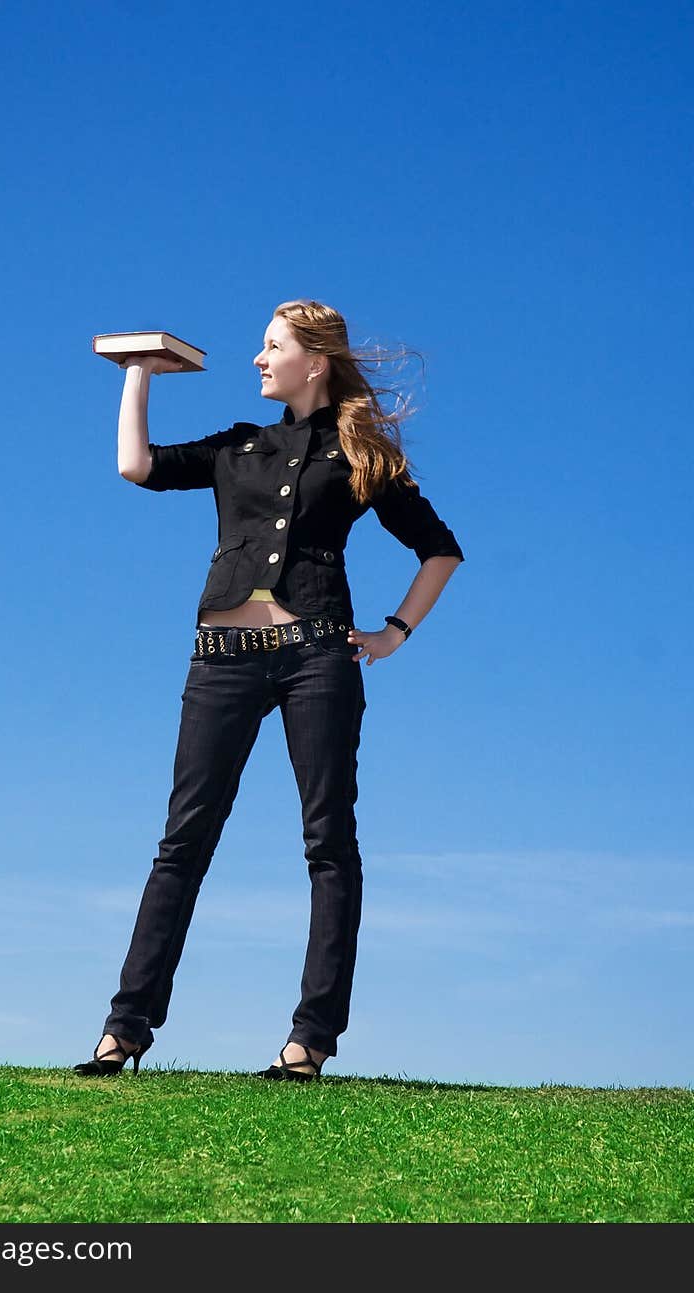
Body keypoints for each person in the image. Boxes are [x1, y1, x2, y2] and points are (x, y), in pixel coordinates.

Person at [74, 299, 464, 1082]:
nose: (258, 358)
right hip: (222, 658)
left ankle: (308, 1042)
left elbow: (439, 551)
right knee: (184, 838)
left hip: (317, 658)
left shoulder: (360, 457)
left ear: (312, 363)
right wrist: (137, 376)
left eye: (271, 346)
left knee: (328, 843)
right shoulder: (236, 445)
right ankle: (123, 1030)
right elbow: (137, 465)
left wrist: (393, 633)